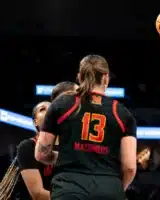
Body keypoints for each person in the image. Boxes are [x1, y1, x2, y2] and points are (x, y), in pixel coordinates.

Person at [34, 55, 137, 200]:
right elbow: (130, 167)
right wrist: (117, 189)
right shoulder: (123, 113)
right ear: (106, 78)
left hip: (69, 187)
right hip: (109, 188)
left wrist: (70, 156)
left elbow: (41, 154)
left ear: (79, 77)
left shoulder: (62, 104)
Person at [0, 82, 78, 200]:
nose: (48, 111)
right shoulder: (28, 146)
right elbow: (38, 194)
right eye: (42, 109)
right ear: (35, 121)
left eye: (51, 108)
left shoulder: (70, 146)